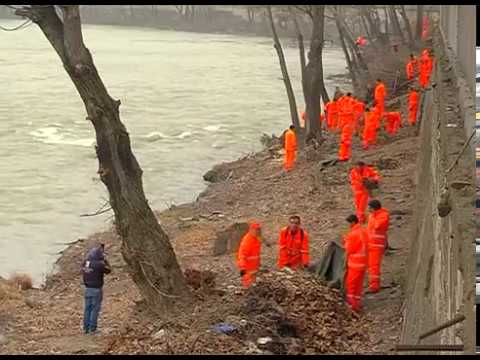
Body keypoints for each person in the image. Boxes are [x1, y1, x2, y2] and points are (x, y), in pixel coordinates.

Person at [82, 244, 111, 335]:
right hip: (96, 289)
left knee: (87, 309)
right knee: (95, 309)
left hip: (87, 289)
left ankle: (86, 328)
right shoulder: (99, 264)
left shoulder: (85, 262)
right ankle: (93, 329)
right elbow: (109, 271)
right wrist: (106, 261)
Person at [342, 214, 368, 312]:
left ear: (352, 222)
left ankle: (352, 307)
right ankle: (357, 303)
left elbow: (349, 249)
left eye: (348, 223)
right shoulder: (364, 231)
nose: (348, 225)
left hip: (355, 264)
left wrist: (346, 241)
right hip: (363, 263)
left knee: (351, 286)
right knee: (358, 285)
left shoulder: (353, 234)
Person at [366, 200, 390, 293]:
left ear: (374, 208)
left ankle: (374, 286)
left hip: (377, 245)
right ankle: (372, 284)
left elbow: (377, 226)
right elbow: (369, 229)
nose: (368, 210)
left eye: (370, 208)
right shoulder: (372, 215)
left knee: (374, 266)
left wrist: (374, 216)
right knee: (371, 265)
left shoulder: (383, 215)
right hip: (371, 243)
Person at [237, 222, 262, 288]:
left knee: (254, 287)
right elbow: (242, 255)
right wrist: (243, 268)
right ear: (251, 229)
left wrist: (259, 264)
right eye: (256, 230)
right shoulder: (247, 240)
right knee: (248, 287)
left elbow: (256, 255)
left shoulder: (256, 239)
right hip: (247, 270)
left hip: (254, 269)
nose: (257, 231)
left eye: (258, 230)